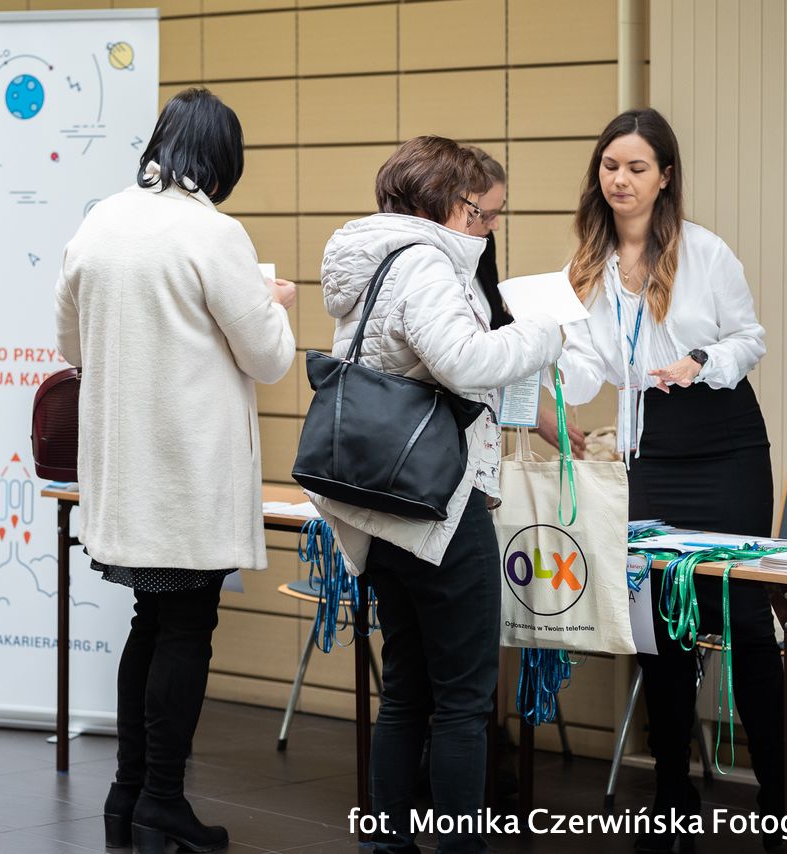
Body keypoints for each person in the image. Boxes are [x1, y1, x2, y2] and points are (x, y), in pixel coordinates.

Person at [55, 87, 295, 854]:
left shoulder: (100, 220)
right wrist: (275, 302)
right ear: (222, 159)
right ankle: (160, 802)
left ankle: (126, 798)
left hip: (123, 469)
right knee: (187, 626)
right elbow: (269, 356)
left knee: (149, 621)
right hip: (188, 467)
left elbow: (70, 345)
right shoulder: (213, 233)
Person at [309, 137, 562, 853]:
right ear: (454, 204)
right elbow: (463, 362)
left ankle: (388, 842)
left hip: (381, 501)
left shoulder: (374, 258)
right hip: (440, 505)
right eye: (488, 214)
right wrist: (543, 335)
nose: (490, 229)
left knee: (407, 693)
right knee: (462, 701)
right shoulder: (425, 262)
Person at [556, 108, 782, 852]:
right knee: (660, 624)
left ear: (665, 177)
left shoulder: (704, 251)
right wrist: (548, 370)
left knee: (745, 619)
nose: (620, 180)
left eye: (636, 167)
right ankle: (672, 796)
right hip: (646, 453)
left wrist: (702, 362)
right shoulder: (586, 264)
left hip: (723, 446)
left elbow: (748, 338)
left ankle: (780, 798)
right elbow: (585, 368)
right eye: (610, 166)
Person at [460, 146, 585, 458]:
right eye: (487, 215)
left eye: (498, 212)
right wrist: (536, 415)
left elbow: (495, 323)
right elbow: (466, 358)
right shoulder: (432, 266)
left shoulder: (482, 243)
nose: (495, 225)